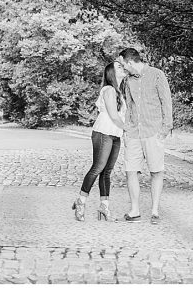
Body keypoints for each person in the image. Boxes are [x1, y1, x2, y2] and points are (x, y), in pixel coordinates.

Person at [116, 47, 173, 225]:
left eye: (123, 65)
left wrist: (165, 129)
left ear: (131, 62)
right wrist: (126, 129)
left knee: (156, 171)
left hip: (153, 131)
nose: (123, 69)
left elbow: (166, 102)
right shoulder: (128, 81)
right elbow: (129, 106)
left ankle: (155, 210)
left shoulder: (157, 75)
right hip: (133, 133)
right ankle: (135, 210)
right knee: (130, 170)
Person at [72, 61, 127, 222]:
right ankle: (81, 201)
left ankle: (104, 206)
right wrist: (128, 130)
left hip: (115, 134)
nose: (123, 68)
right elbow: (113, 115)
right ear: (111, 73)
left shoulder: (120, 91)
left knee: (107, 172)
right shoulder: (109, 90)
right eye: (119, 67)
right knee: (97, 168)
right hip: (104, 132)